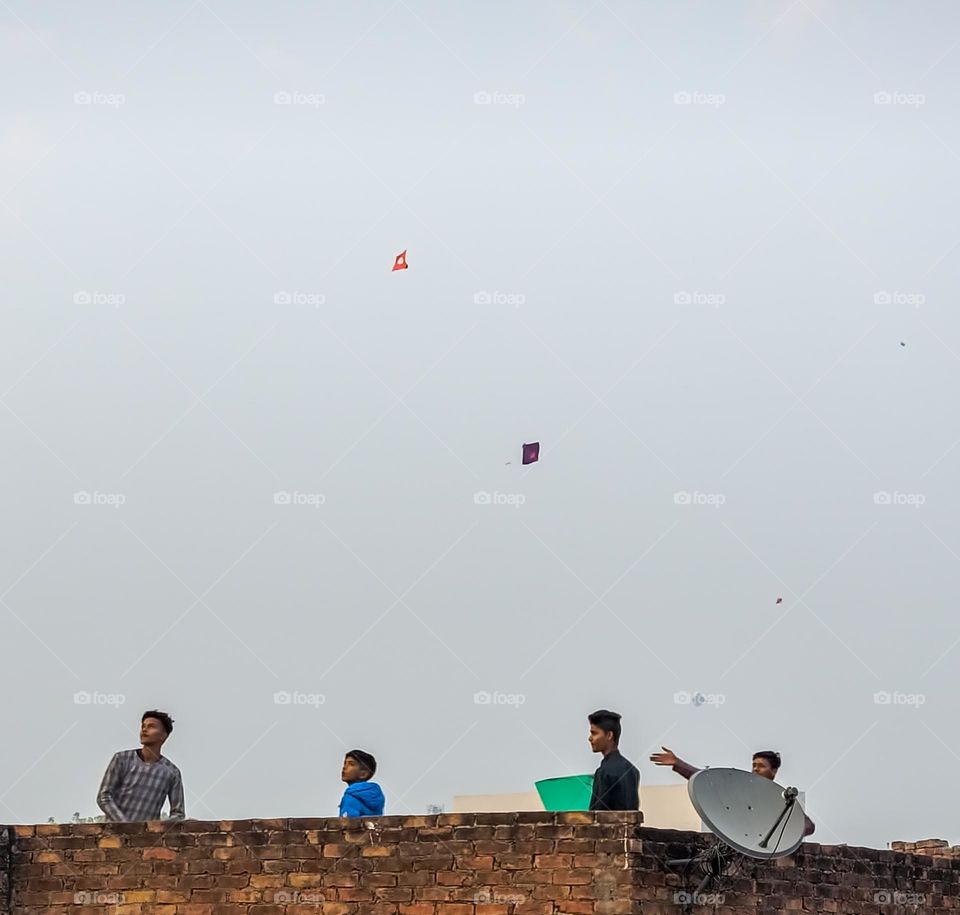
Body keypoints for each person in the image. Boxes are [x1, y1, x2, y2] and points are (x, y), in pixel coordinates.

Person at [649, 745, 815, 836]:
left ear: (774, 771)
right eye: (754, 765)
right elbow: (708, 781)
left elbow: (808, 826)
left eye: (761, 766)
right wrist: (678, 763)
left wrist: (781, 833)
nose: (756, 769)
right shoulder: (741, 788)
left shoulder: (781, 798)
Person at [97, 710, 185, 822]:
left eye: (151, 726)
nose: (144, 729)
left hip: (146, 838)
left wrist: (160, 828)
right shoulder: (122, 759)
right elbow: (104, 797)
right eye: (143, 726)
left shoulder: (172, 772)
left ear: (163, 736)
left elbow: (178, 814)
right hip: (114, 834)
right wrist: (125, 825)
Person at [587, 709, 640, 811]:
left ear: (609, 735)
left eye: (594, 733)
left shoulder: (604, 772)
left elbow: (598, 814)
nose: (590, 738)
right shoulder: (632, 770)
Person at [339, 749, 385, 817]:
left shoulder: (350, 797)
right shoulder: (376, 797)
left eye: (351, 764)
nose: (344, 767)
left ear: (363, 774)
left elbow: (348, 824)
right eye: (345, 763)